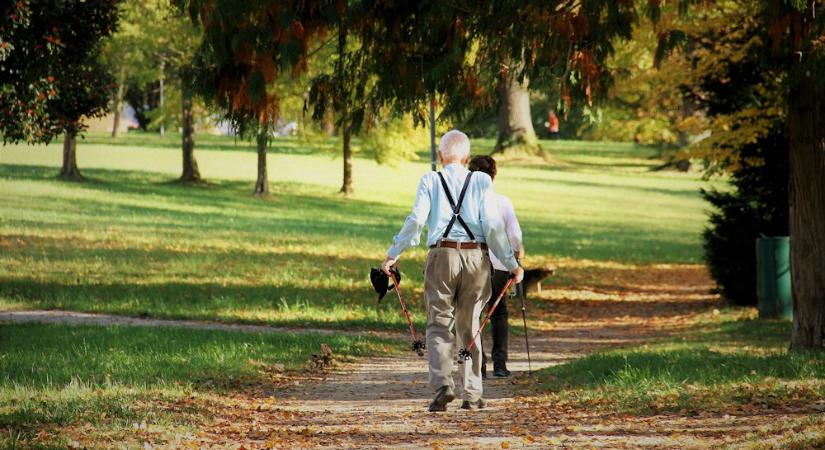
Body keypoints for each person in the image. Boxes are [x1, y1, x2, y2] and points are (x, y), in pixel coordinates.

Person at [381, 129, 524, 412]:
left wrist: (393, 254)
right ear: (467, 157)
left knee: (438, 324)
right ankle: (472, 393)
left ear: (440, 156)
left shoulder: (430, 180)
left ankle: (443, 386)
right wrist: (511, 264)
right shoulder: (482, 181)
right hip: (476, 258)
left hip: (441, 256)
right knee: (470, 325)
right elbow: (493, 228)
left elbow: (416, 220)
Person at [468, 155, 524, 378]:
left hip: (474, 262)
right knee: (499, 312)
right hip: (500, 264)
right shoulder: (502, 201)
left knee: (474, 312)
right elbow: (514, 235)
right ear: (494, 176)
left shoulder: (467, 202)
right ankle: (500, 364)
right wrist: (517, 255)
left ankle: (478, 365)